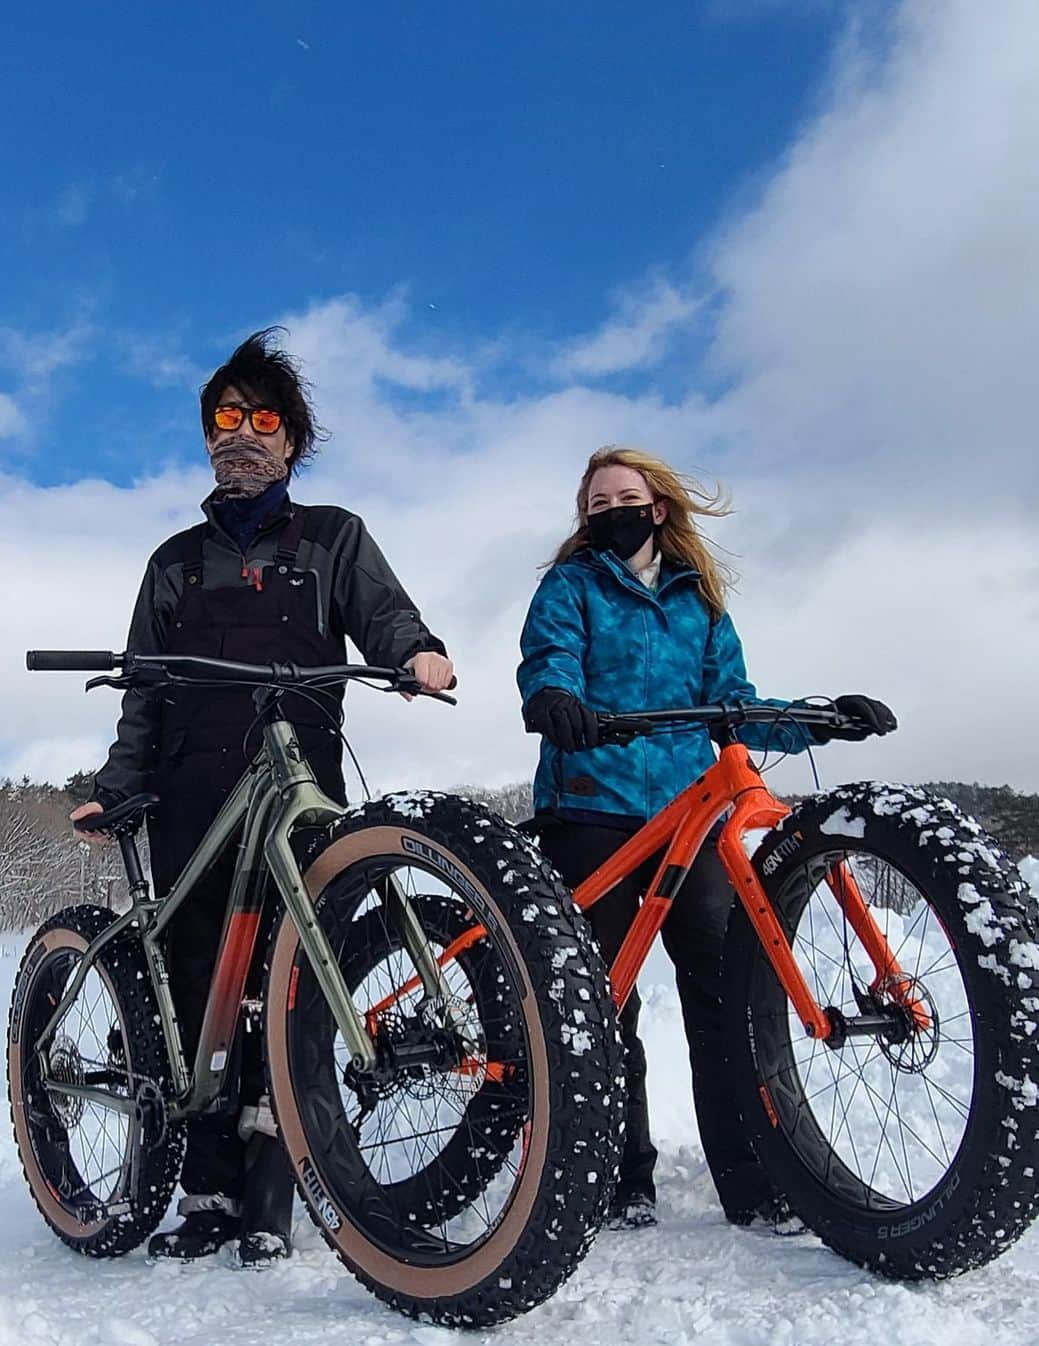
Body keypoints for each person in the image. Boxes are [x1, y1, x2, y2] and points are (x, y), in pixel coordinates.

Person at [71, 329, 454, 1265]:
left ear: (292, 440)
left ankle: (276, 1187)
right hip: (192, 795)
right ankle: (206, 1195)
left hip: (299, 792)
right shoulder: (174, 560)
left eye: (261, 418)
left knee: (293, 987)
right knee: (204, 984)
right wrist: (117, 785)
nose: (240, 433)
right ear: (208, 438)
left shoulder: (333, 537)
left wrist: (413, 652)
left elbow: (384, 613)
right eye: (224, 419)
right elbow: (145, 687)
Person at [516, 446, 894, 1232]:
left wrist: (821, 717)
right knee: (601, 1002)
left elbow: (735, 705)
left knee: (724, 997)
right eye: (594, 504)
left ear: (657, 508)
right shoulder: (570, 586)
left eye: (624, 497)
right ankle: (618, 1179)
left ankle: (753, 1181)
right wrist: (555, 697)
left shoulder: (702, 604)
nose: (608, 511)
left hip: (693, 816)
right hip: (594, 807)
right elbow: (548, 658)